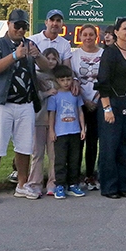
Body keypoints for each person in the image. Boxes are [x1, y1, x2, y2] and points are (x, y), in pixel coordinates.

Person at [0, 9, 48, 204]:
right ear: (8, 24)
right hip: (2, 103)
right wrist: (15, 55)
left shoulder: (30, 44)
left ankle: (22, 184)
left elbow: (46, 67)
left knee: (24, 147)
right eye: (17, 25)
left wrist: (37, 56)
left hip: (25, 103)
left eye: (24, 26)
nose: (20, 30)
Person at [96, 16, 126, 199]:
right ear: (116, 32)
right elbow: (103, 81)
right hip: (111, 103)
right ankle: (109, 187)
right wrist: (107, 108)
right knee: (110, 146)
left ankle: (123, 185)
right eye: (124, 29)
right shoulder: (110, 53)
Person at [71, 24, 103, 191]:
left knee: (92, 141)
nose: (88, 37)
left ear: (96, 37)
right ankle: (75, 176)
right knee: (78, 141)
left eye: (91, 34)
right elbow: (73, 80)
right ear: (80, 36)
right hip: (80, 103)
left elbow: (105, 80)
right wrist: (85, 100)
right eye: (85, 34)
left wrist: (95, 100)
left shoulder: (103, 54)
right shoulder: (75, 56)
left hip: (98, 103)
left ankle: (90, 175)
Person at [48, 65, 87, 199]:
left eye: (68, 79)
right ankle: (59, 185)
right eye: (63, 80)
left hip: (75, 131)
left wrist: (83, 128)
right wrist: (52, 130)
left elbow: (80, 112)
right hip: (60, 133)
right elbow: (52, 114)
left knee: (74, 159)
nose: (66, 83)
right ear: (57, 81)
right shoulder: (55, 96)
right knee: (60, 160)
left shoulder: (75, 95)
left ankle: (73, 184)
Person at [27, 47, 60, 198]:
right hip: (39, 119)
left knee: (54, 154)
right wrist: (47, 93)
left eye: (54, 59)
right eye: (48, 58)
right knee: (37, 153)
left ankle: (53, 183)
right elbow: (33, 96)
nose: (51, 62)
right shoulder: (36, 76)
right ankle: (35, 183)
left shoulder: (60, 77)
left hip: (56, 122)